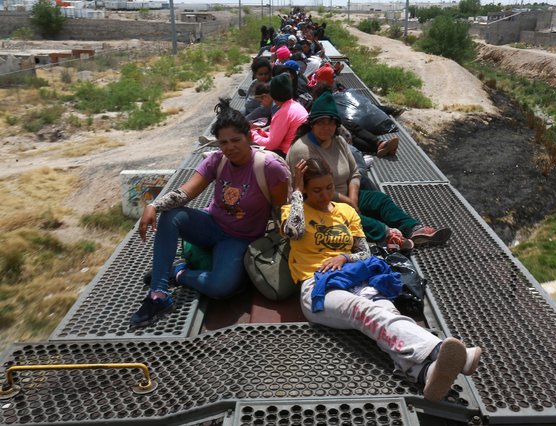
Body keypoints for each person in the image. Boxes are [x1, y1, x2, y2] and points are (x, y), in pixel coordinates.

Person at [281, 157, 481, 401]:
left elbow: (363, 252)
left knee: (388, 311)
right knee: (363, 310)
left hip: (355, 278)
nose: (324, 195)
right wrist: (297, 193)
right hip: (319, 285)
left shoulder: (345, 212)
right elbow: (293, 230)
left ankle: (423, 373)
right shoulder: (294, 210)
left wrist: (344, 257)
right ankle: (439, 349)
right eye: (316, 190)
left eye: (329, 187)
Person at [131, 99, 290, 328]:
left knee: (221, 287)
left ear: (249, 137)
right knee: (172, 215)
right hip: (212, 226)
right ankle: (158, 294)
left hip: (239, 239)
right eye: (223, 142)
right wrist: (154, 206)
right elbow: (186, 192)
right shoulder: (217, 160)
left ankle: (178, 273)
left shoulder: (270, 168)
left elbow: (280, 210)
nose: (230, 147)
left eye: (236, 140)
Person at [287, 92, 452, 251]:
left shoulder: (337, 141)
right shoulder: (303, 150)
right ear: (312, 123)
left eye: (330, 122)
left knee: (380, 200)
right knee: (356, 220)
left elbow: (354, 172)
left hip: (346, 195)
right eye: (320, 122)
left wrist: (353, 197)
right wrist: (348, 202)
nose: (326, 127)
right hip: (321, 202)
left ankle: (414, 229)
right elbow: (313, 190)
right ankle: (390, 236)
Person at [251, 73, 308, 157]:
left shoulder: (283, 113)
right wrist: (263, 133)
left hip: (288, 154)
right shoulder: (296, 105)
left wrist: (252, 135)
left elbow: (271, 145)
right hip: (299, 149)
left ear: (273, 94)